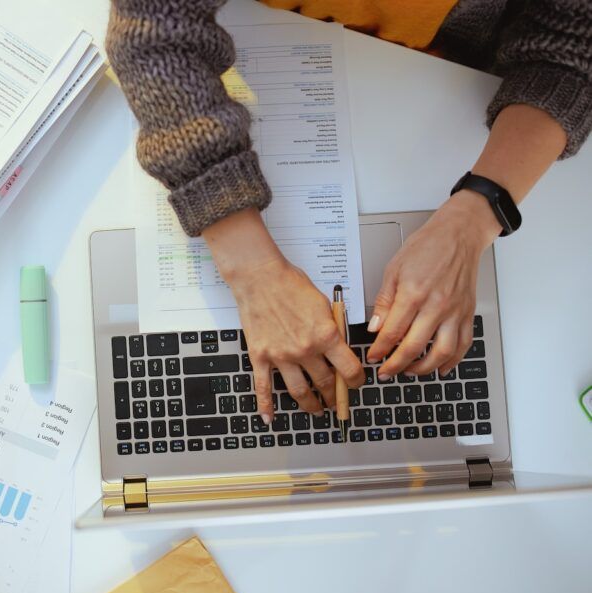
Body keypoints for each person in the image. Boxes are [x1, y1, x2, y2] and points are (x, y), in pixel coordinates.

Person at [106, 0, 591, 424]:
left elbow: (570, 52)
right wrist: (250, 267)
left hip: (449, 99)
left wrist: (477, 215)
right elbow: (153, 41)